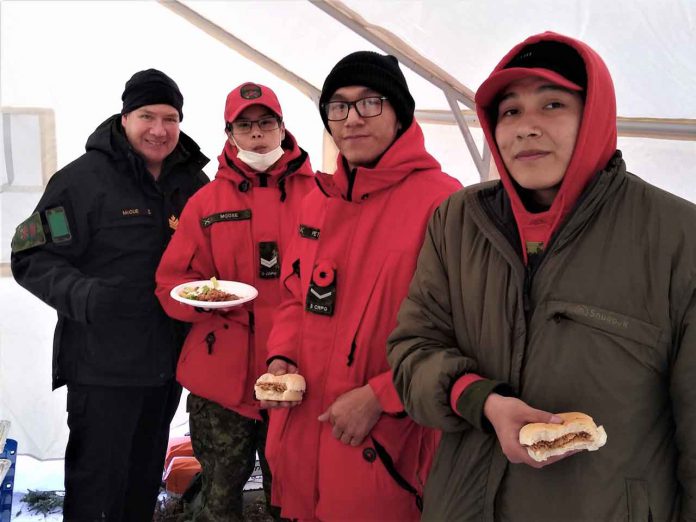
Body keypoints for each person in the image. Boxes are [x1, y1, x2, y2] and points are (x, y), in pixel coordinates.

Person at [387, 31, 696, 521]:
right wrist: (482, 402)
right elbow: (412, 349)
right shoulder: (458, 221)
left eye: (552, 104)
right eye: (509, 111)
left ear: (593, 116)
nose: (525, 128)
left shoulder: (678, 237)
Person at [262, 51, 461, 521]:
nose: (351, 119)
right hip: (305, 427)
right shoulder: (319, 199)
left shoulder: (444, 202)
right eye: (338, 106)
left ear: (399, 114)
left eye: (369, 103)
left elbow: (465, 330)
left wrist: (382, 396)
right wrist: (281, 356)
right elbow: (295, 294)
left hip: (383, 445)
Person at [10, 69, 209, 521]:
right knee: (98, 491)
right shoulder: (81, 182)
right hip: (102, 368)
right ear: (124, 117)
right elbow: (30, 253)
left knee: (142, 485)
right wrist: (86, 295)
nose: (159, 130)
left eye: (170, 118)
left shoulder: (193, 183)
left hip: (165, 366)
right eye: (147, 116)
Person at [155, 82, 315, 521]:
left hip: (300, 376)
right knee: (219, 498)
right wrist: (205, 301)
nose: (257, 134)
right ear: (230, 135)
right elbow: (172, 283)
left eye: (265, 123)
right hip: (222, 379)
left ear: (282, 128)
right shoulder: (206, 202)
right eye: (245, 126)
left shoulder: (321, 196)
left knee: (296, 495)